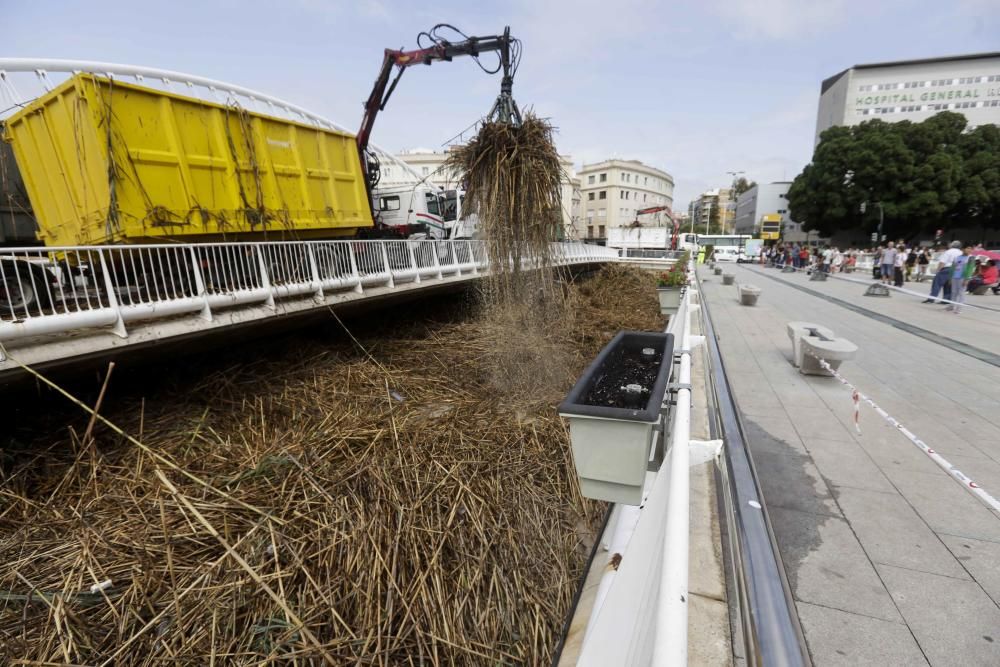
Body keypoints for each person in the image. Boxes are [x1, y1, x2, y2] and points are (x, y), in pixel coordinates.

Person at [947, 247, 972, 313]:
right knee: (953, 292)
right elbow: (952, 267)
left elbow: (970, 269)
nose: (969, 250)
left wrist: (967, 279)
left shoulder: (971, 258)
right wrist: (950, 277)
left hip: (963, 278)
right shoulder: (957, 257)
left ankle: (959, 308)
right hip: (954, 277)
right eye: (967, 248)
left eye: (970, 249)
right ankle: (951, 306)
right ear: (963, 249)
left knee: (961, 293)